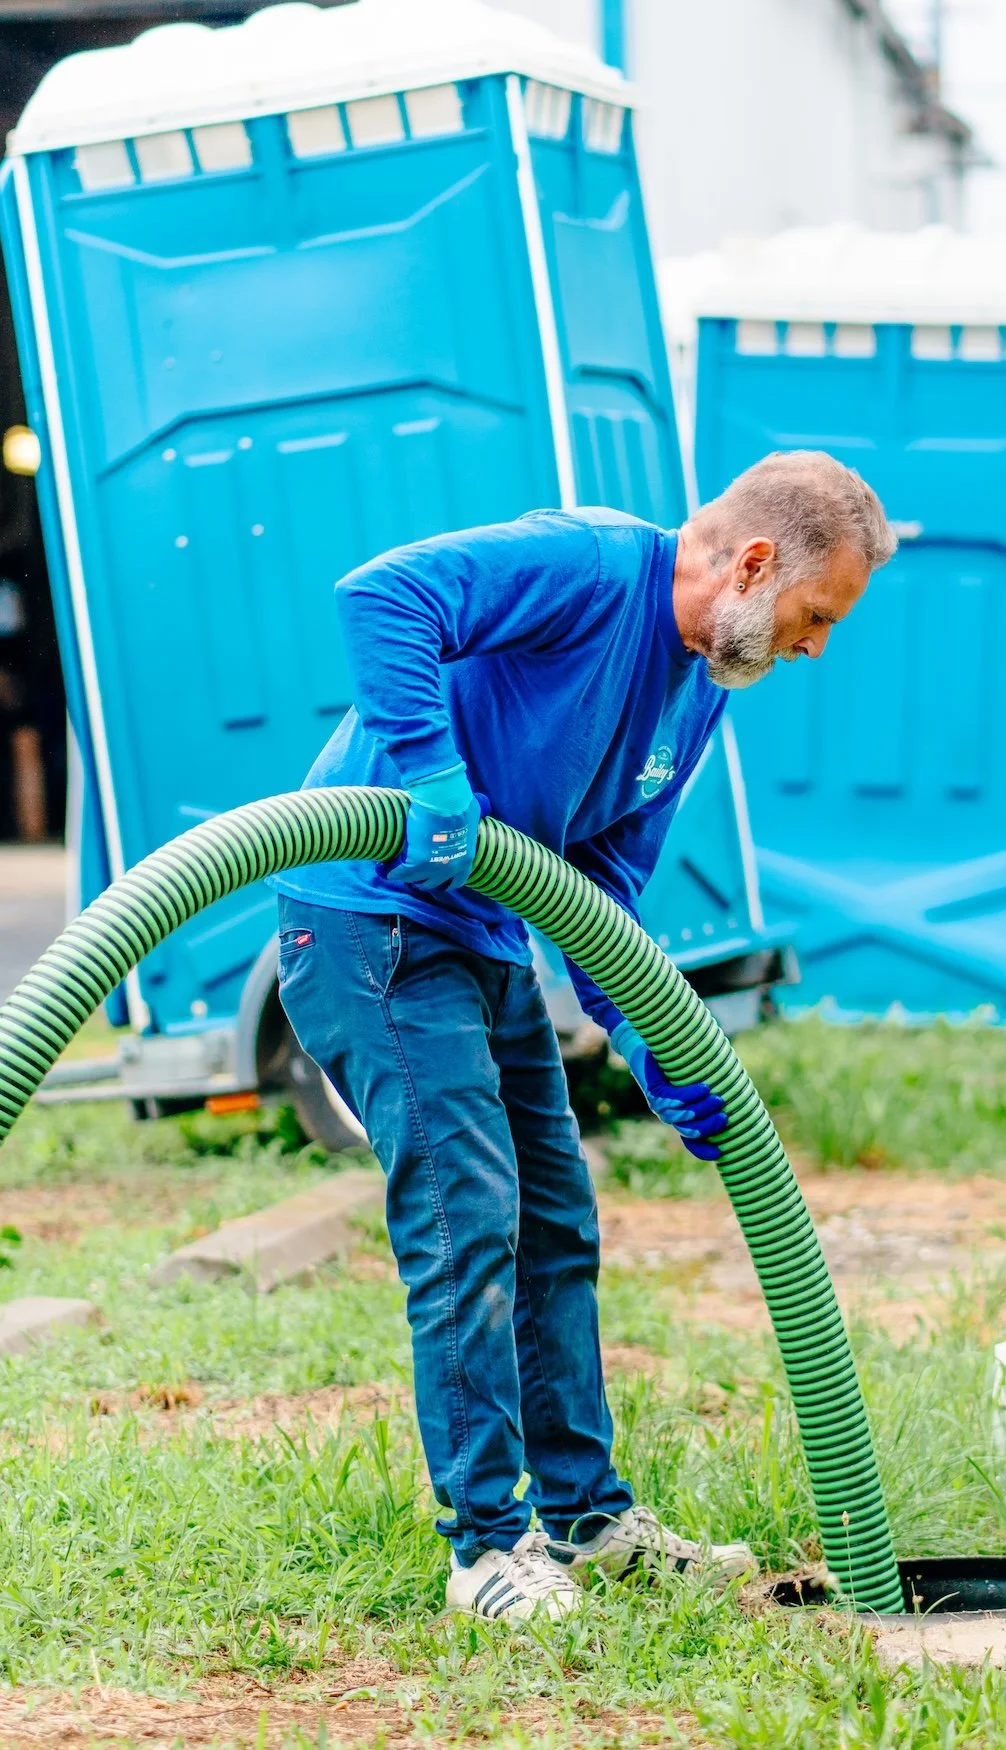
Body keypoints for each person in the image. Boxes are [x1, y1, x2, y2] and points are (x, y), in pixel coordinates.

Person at [271, 450, 896, 1621]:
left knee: (555, 1220)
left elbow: (599, 880)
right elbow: (381, 595)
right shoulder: (588, 565)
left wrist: (659, 1042)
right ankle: (486, 1550)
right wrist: (431, 779)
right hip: (369, 918)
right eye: (815, 617)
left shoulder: (703, 679)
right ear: (753, 563)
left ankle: (589, 1520)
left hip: (486, 933)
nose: (813, 646)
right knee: (470, 1216)